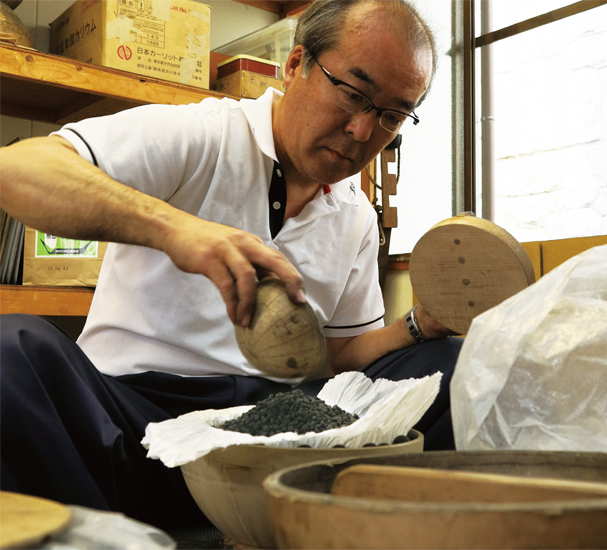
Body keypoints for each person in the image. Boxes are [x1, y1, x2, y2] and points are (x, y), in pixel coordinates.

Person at [0, 0, 461, 530]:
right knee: (12, 352)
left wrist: (419, 326)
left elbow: (338, 357)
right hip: (137, 417)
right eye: (353, 93)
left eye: (390, 115)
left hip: (276, 430)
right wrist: (175, 229)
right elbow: (18, 169)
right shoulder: (203, 134)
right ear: (296, 66)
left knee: (449, 367)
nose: (362, 132)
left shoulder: (355, 213)